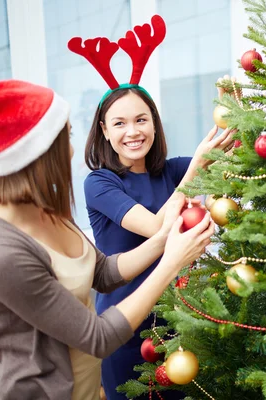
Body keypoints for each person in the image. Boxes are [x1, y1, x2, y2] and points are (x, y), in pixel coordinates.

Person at [0, 79, 215, 399]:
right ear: (39, 152)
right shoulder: (0, 253)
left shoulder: (44, 210)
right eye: (65, 136)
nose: (72, 148)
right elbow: (97, 336)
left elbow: (102, 272)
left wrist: (164, 240)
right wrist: (173, 259)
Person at [70, 14, 235, 399]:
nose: (133, 131)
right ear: (105, 133)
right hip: (126, 323)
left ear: (155, 125)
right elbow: (158, 229)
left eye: (142, 119)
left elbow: (227, 170)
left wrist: (233, 112)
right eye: (121, 123)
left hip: (181, 321)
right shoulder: (99, 182)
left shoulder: (171, 171)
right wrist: (198, 165)